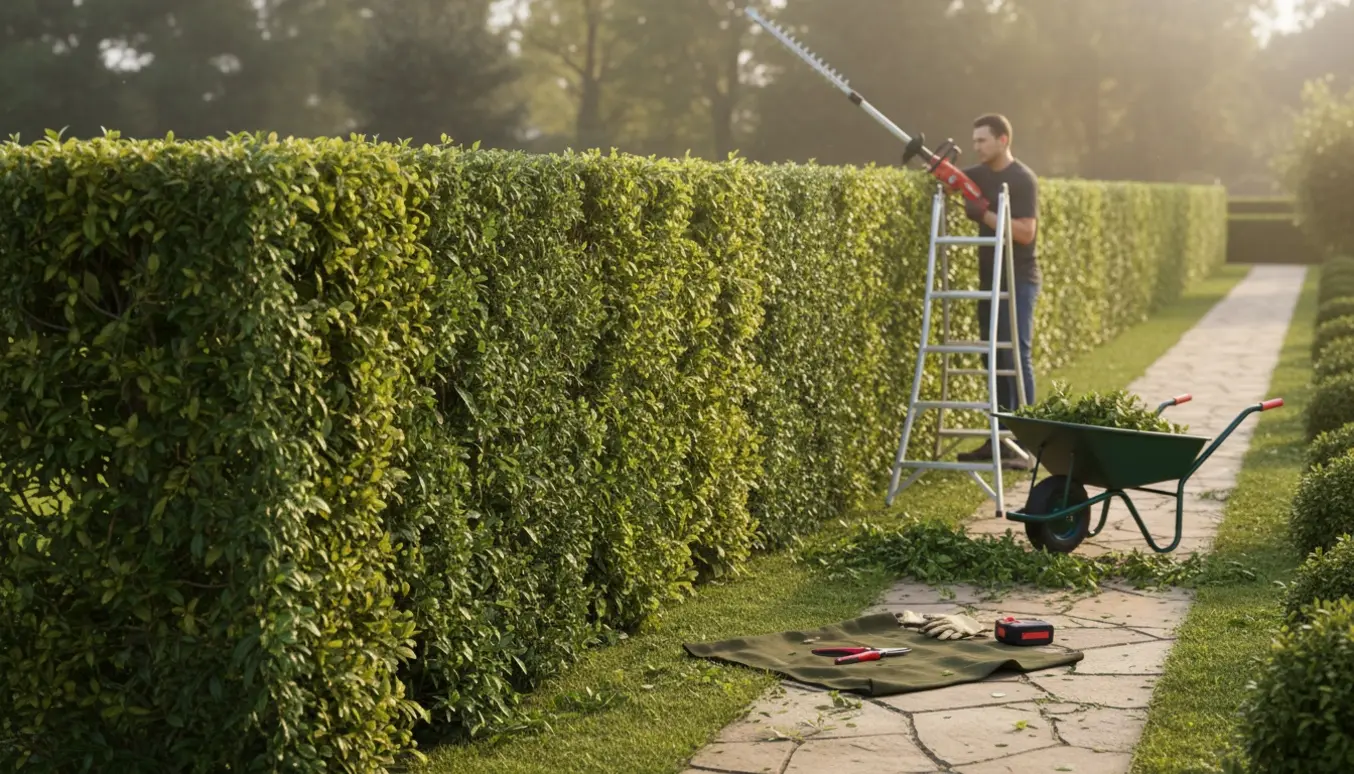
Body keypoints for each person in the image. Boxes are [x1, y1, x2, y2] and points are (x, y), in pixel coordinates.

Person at [955, 113, 1040, 469]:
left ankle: (1027, 445)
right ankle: (998, 440)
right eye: (974, 141)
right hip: (989, 280)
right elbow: (950, 182)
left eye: (982, 141)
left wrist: (986, 215)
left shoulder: (1022, 179)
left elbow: (1025, 233)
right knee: (992, 360)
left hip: (1018, 279)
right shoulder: (978, 174)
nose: (976, 147)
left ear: (1003, 140)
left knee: (1015, 357)